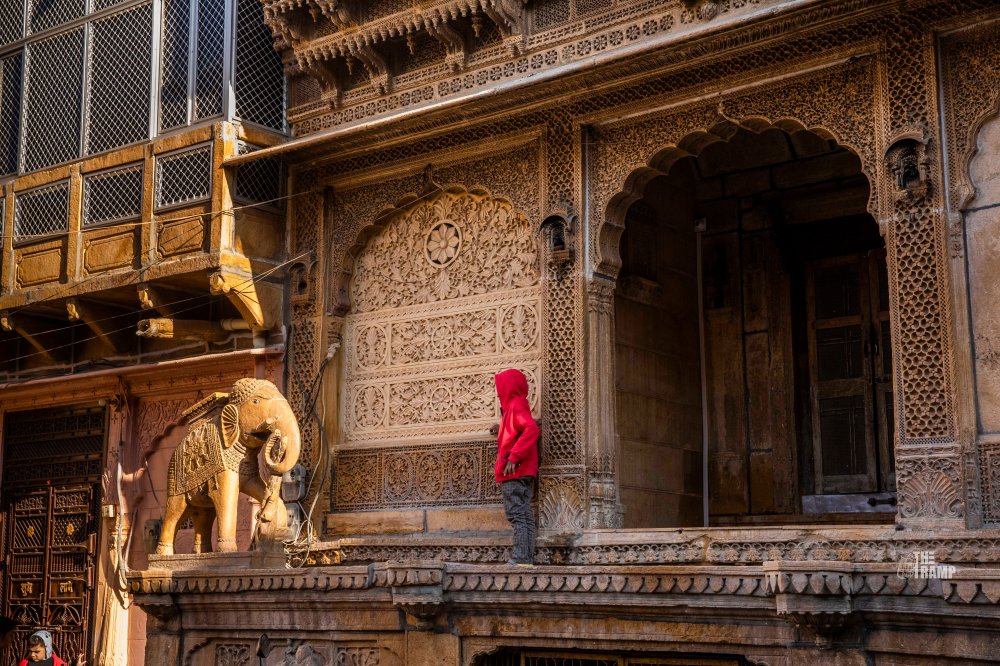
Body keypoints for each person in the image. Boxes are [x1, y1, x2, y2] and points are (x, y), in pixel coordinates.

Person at [493, 368, 540, 567]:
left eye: (500, 388)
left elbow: (531, 428)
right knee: (525, 515)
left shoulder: (514, 405)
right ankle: (526, 559)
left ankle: (520, 558)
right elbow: (516, 432)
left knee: (517, 515)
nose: (498, 393)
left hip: (514, 471)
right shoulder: (517, 407)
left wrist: (514, 457)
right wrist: (500, 429)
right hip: (524, 471)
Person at [18, 630, 85, 666]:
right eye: (30, 651)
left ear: (47, 648)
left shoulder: (57, 663)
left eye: (37, 652)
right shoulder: (25, 663)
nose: (32, 655)